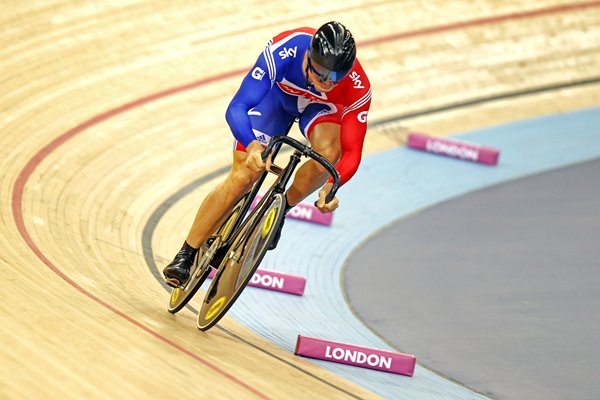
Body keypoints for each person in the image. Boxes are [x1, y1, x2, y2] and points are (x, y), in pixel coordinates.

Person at [163, 21, 372, 288]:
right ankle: (186, 253)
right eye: (320, 74)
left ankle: (281, 209)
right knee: (243, 176)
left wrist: (331, 187)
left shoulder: (357, 87)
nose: (325, 83)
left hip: (321, 111)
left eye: (334, 79)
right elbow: (238, 106)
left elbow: (353, 151)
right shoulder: (285, 50)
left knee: (330, 154)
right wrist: (251, 146)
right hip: (276, 99)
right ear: (308, 57)